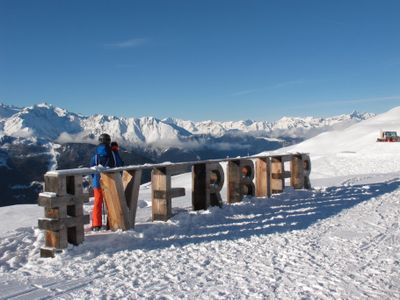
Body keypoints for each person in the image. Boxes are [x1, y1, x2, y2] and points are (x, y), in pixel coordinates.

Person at [90, 133, 115, 231]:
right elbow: (119, 164)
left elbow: (91, 168)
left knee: (97, 203)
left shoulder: (95, 155)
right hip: (110, 181)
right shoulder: (112, 153)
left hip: (97, 182)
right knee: (111, 202)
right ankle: (113, 222)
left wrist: (95, 179)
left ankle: (96, 224)